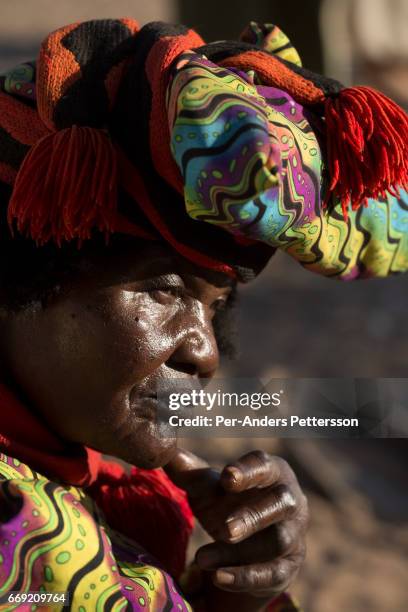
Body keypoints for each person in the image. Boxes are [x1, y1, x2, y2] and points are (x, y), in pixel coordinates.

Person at [0, 17, 406, 612]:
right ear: (22, 277)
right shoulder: (21, 537)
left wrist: (238, 591)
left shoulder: (63, 472)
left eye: (217, 309)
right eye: (166, 290)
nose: (206, 352)